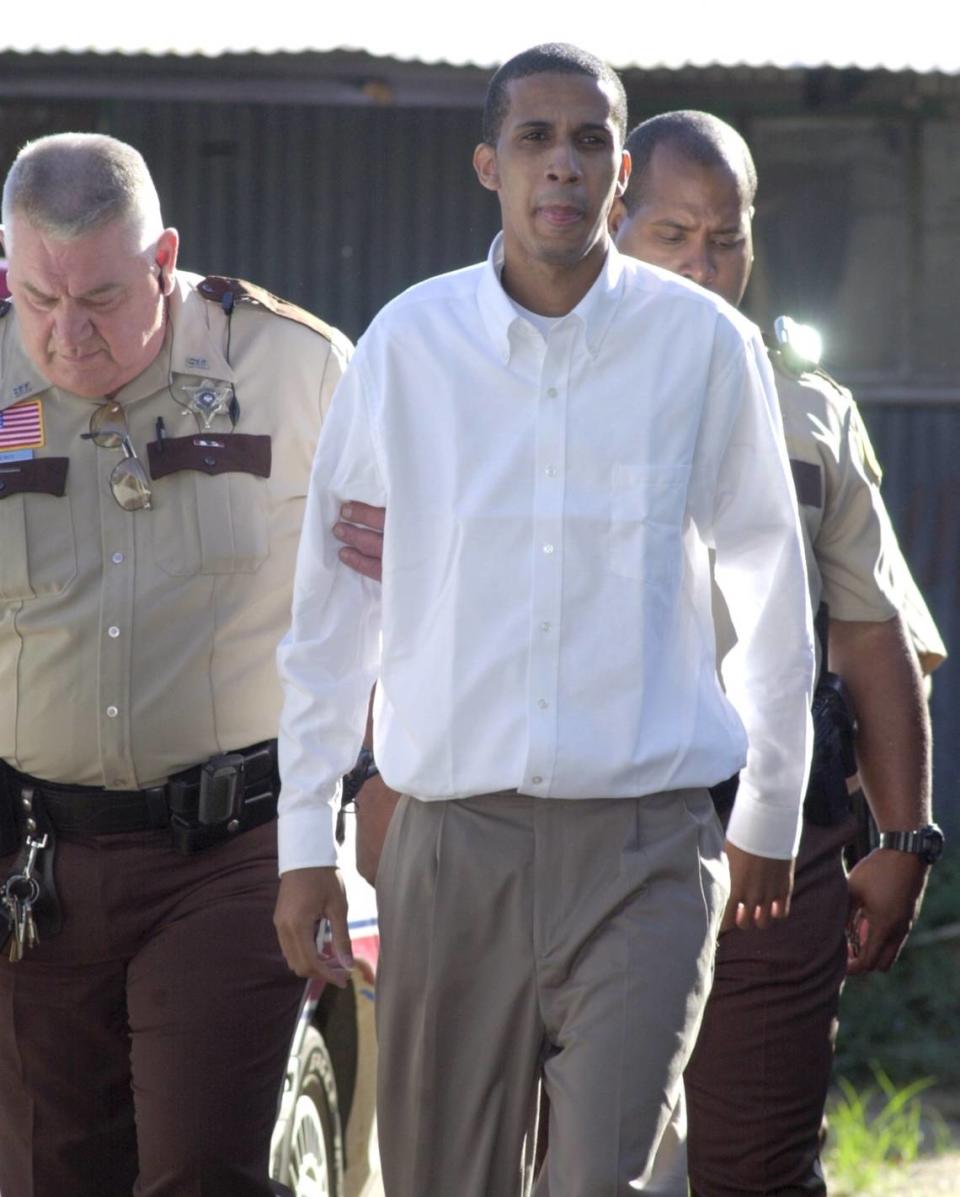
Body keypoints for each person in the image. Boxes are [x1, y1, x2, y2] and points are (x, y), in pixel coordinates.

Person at [274, 44, 816, 1197]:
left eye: (589, 142)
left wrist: (770, 805)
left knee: (599, 1183)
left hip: (646, 851)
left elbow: (773, 583)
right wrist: (304, 840)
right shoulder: (407, 348)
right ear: (489, 164)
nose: (561, 164)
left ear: (621, 175)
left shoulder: (705, 351)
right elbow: (333, 608)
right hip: (451, 849)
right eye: (535, 138)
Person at [0, 132, 353, 1196]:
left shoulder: (296, 369)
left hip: (230, 852)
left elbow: (399, 596)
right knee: (50, 1176)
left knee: (201, 1171)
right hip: (33, 865)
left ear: (165, 263)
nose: (67, 336)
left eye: (102, 299)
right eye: (36, 299)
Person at [610, 109, 945, 1197]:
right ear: (615, 221)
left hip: (770, 844)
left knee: (755, 1166)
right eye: (673, 235)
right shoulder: (530, 389)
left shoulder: (809, 411)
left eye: (728, 237)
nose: (706, 266)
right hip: (580, 833)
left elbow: (873, 630)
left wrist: (902, 837)